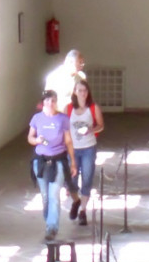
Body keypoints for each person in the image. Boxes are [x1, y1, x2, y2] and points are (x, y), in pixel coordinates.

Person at [29, 90, 76, 241]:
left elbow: (68, 141)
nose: (50, 103)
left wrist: (73, 161)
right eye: (48, 101)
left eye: (53, 101)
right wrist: (37, 140)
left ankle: (51, 228)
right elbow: (30, 137)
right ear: (43, 102)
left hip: (58, 161)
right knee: (45, 197)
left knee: (54, 195)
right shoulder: (37, 118)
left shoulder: (63, 119)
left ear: (57, 102)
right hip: (41, 161)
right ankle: (49, 220)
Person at [67, 78, 104, 226]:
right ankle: (76, 201)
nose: (82, 93)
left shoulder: (93, 108)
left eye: (85, 90)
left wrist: (91, 130)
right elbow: (64, 128)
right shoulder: (68, 109)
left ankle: (83, 211)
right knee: (71, 181)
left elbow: (101, 125)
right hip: (73, 149)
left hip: (89, 147)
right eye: (79, 90)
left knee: (87, 178)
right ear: (75, 92)